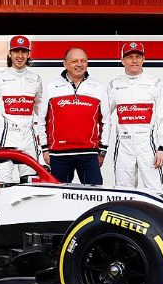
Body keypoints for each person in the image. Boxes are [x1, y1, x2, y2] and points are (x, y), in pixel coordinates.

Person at [34, 47, 110, 185]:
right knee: (58, 194)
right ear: (65, 64)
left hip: (89, 154)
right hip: (59, 154)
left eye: (83, 61)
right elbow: (42, 120)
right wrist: (45, 149)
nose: (79, 64)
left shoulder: (98, 87)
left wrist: (102, 150)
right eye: (75, 61)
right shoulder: (52, 87)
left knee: (95, 193)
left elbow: (106, 121)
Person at [106, 42, 163, 190]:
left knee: (155, 191)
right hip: (123, 147)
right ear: (122, 60)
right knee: (123, 192)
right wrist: (101, 146)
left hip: (147, 146)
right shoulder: (114, 85)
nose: (134, 60)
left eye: (138, 56)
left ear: (144, 59)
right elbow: (103, 117)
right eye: (129, 57)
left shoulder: (155, 83)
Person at [0, 35, 44, 183]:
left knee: (31, 181)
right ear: (9, 53)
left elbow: (40, 110)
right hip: (8, 136)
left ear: (28, 54)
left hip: (29, 136)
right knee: (3, 181)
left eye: (24, 51)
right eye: (16, 51)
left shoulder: (36, 79)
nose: (20, 56)